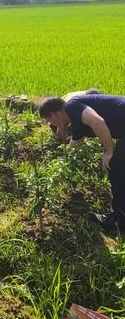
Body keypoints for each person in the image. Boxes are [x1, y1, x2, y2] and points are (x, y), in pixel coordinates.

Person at [39, 93, 125, 233]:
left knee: (116, 168)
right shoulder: (75, 118)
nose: (51, 125)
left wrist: (109, 152)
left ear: (54, 115)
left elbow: (98, 122)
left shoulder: (72, 106)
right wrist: (61, 160)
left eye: (49, 121)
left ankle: (117, 223)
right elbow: (74, 144)